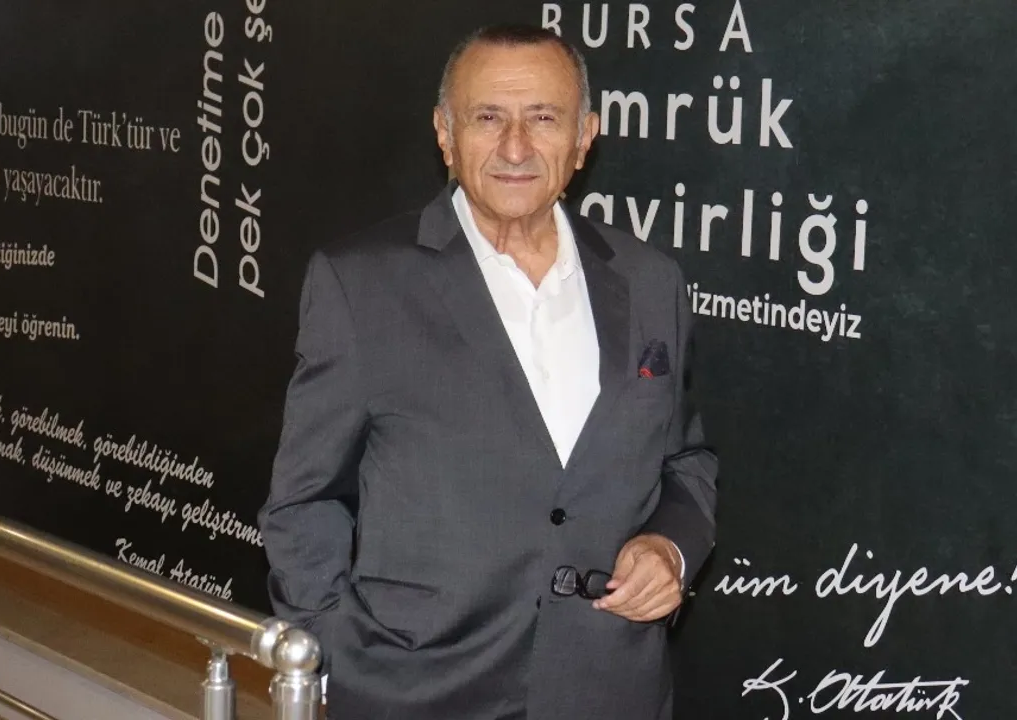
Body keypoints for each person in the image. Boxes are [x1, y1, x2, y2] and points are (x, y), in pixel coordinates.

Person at [258, 23, 717, 720]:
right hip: (416, 696)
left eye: (544, 119)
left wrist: (670, 548)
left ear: (584, 137)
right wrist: (341, 661)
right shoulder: (360, 284)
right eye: (488, 118)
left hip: (610, 691)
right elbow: (304, 502)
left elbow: (686, 461)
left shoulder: (651, 281)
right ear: (445, 134)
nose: (515, 147)